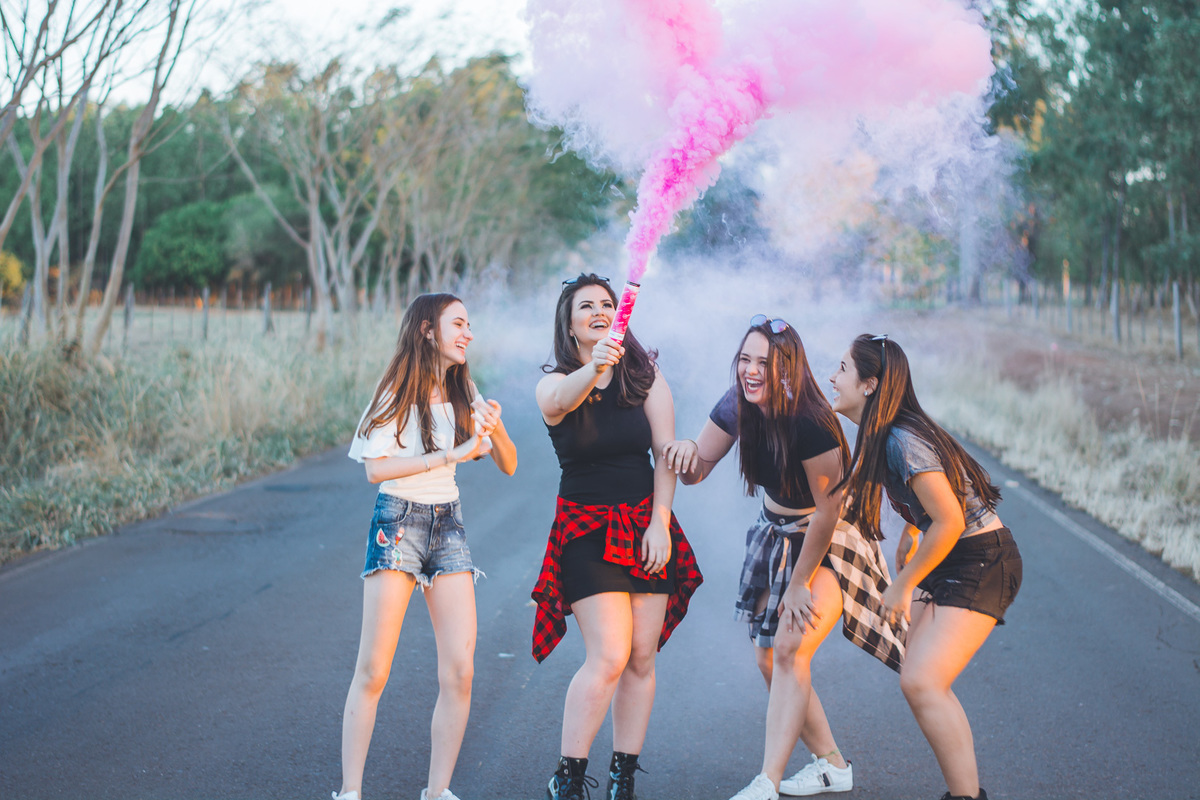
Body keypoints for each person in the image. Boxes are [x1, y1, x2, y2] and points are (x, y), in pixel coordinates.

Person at [662, 316, 904, 800]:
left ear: (787, 369)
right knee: (769, 659)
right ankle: (833, 765)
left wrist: (800, 581)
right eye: (745, 360)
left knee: (791, 649)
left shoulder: (812, 421)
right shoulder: (738, 403)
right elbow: (698, 470)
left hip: (829, 540)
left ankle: (767, 781)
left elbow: (831, 508)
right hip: (775, 533)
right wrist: (686, 451)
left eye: (763, 363)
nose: (751, 371)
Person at [333, 293, 518, 800]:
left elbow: (509, 463)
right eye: (458, 323)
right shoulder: (396, 387)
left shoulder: (466, 388)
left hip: (448, 526)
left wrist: (493, 425)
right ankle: (350, 792)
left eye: (469, 323)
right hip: (398, 522)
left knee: (460, 670)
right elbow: (376, 469)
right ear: (427, 330)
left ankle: (437, 793)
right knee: (374, 669)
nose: (468, 333)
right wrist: (450, 453)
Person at [531, 273, 703, 800]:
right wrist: (596, 365)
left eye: (608, 304)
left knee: (641, 657)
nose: (600, 311)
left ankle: (622, 776)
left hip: (645, 525)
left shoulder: (645, 375)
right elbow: (562, 398)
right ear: (571, 323)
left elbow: (664, 451)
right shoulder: (554, 382)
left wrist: (660, 523)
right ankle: (568, 778)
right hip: (584, 529)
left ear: (621, 315)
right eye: (587, 307)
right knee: (608, 653)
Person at [829, 334, 1022, 800]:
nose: (832, 378)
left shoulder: (900, 438)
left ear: (870, 384)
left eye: (840, 369)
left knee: (923, 682)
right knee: (920, 680)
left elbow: (952, 519)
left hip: (982, 559)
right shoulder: (881, 433)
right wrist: (913, 537)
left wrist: (904, 582)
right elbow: (935, 506)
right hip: (954, 554)